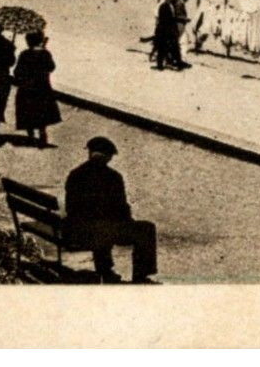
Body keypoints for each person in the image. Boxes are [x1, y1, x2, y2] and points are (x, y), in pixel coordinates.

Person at [64, 137, 157, 284]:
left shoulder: (75, 174)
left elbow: (71, 207)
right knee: (146, 229)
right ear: (107, 156)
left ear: (90, 153)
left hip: (77, 231)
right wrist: (129, 222)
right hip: (100, 232)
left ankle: (105, 270)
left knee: (101, 226)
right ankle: (141, 275)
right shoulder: (113, 177)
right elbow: (121, 208)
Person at [13, 31, 61, 147]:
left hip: (27, 87)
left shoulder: (24, 54)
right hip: (42, 86)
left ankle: (30, 135)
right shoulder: (45, 53)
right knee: (41, 110)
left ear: (28, 41)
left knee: (27, 110)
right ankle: (42, 132)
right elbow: (51, 67)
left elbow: (17, 71)